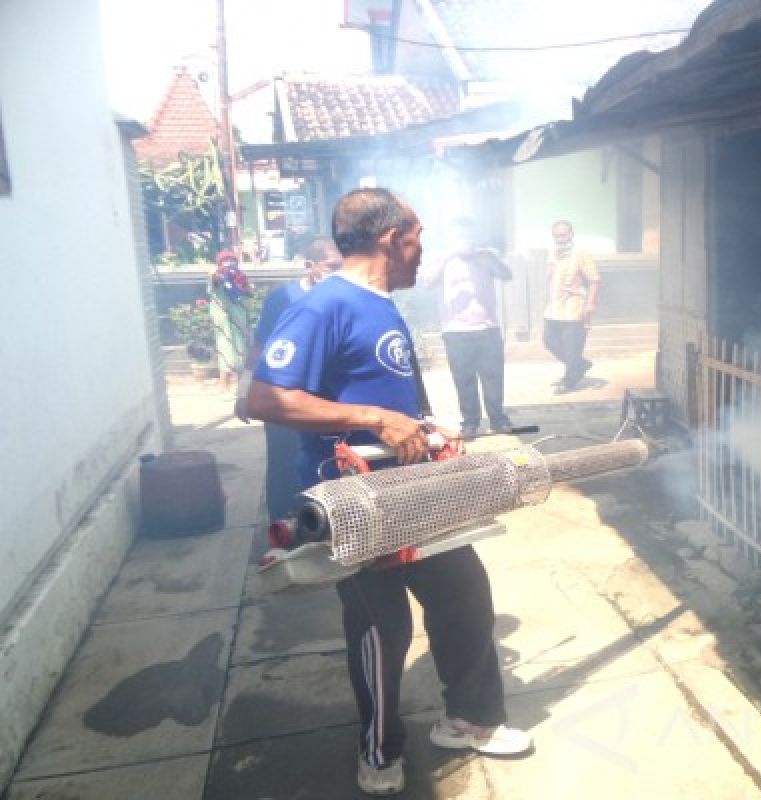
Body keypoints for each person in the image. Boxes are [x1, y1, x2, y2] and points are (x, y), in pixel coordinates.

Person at [246, 189, 531, 797]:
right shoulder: (325, 306)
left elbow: (390, 391)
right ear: (391, 237)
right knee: (384, 626)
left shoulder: (384, 304)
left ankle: (471, 719)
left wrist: (425, 427)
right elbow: (263, 399)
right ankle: (378, 750)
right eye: (418, 239)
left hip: (412, 487)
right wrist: (376, 419)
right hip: (354, 497)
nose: (424, 254)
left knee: (464, 591)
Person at [234, 236, 341, 521]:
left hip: (325, 400)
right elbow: (260, 346)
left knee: (326, 465)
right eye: (332, 266)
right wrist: (244, 390)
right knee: (284, 464)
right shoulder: (282, 298)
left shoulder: (342, 297)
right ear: (310, 266)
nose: (338, 272)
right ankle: (283, 530)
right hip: (282, 397)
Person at [419, 218, 513, 439]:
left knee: (493, 377)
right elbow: (427, 283)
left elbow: (507, 275)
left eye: (468, 235)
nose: (465, 240)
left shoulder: (486, 256)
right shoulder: (441, 257)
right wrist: (449, 255)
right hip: (455, 330)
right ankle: (470, 422)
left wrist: (490, 256)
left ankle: (498, 419)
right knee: (464, 379)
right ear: (451, 238)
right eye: (459, 235)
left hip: (487, 328)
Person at [543, 220, 600, 394]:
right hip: (553, 309)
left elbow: (595, 280)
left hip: (573, 309)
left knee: (571, 347)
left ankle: (569, 381)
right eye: (557, 236)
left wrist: (590, 304)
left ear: (571, 234)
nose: (560, 239)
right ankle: (580, 365)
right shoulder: (553, 254)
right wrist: (554, 261)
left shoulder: (581, 254)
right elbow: (550, 277)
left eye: (564, 235)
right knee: (549, 341)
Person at [208, 249, 253, 392]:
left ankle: (241, 385)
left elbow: (248, 296)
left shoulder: (241, 278)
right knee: (225, 350)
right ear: (219, 263)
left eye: (232, 260)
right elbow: (213, 283)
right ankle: (224, 385)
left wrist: (244, 288)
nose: (229, 264)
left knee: (241, 351)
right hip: (224, 323)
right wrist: (219, 274)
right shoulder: (217, 277)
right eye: (225, 261)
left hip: (239, 322)